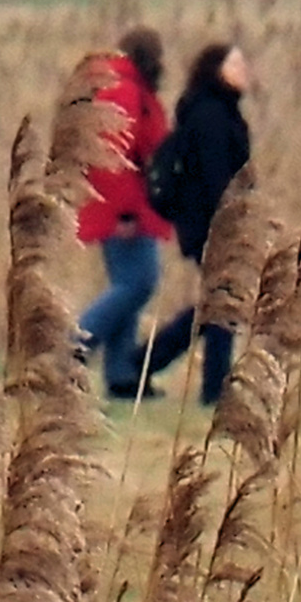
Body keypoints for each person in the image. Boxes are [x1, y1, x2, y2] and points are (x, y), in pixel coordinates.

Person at [139, 43, 252, 405]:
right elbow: (217, 179)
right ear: (216, 69)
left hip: (211, 224)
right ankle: (212, 388)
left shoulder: (218, 109)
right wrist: (232, 223)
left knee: (215, 304)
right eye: (235, 63)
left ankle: (146, 361)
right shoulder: (210, 115)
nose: (243, 68)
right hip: (212, 226)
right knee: (223, 303)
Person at [76, 27, 174, 400]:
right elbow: (114, 159)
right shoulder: (126, 91)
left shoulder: (124, 87)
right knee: (139, 283)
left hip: (123, 205)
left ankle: (120, 376)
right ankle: (75, 347)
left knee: (127, 286)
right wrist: (128, 212)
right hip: (125, 208)